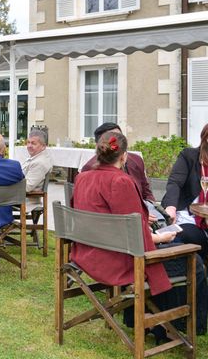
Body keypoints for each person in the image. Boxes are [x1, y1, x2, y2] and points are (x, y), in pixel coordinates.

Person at [72, 131, 207, 338]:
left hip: (89, 253)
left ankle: (145, 320)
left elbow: (115, 224)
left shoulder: (82, 178)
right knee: (193, 260)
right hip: (120, 260)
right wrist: (160, 237)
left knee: (172, 250)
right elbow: (136, 236)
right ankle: (175, 326)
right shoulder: (121, 181)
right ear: (124, 155)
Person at [162, 123, 208, 258]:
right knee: (195, 238)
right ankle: (200, 274)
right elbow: (175, 182)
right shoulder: (189, 156)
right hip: (188, 215)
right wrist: (171, 207)